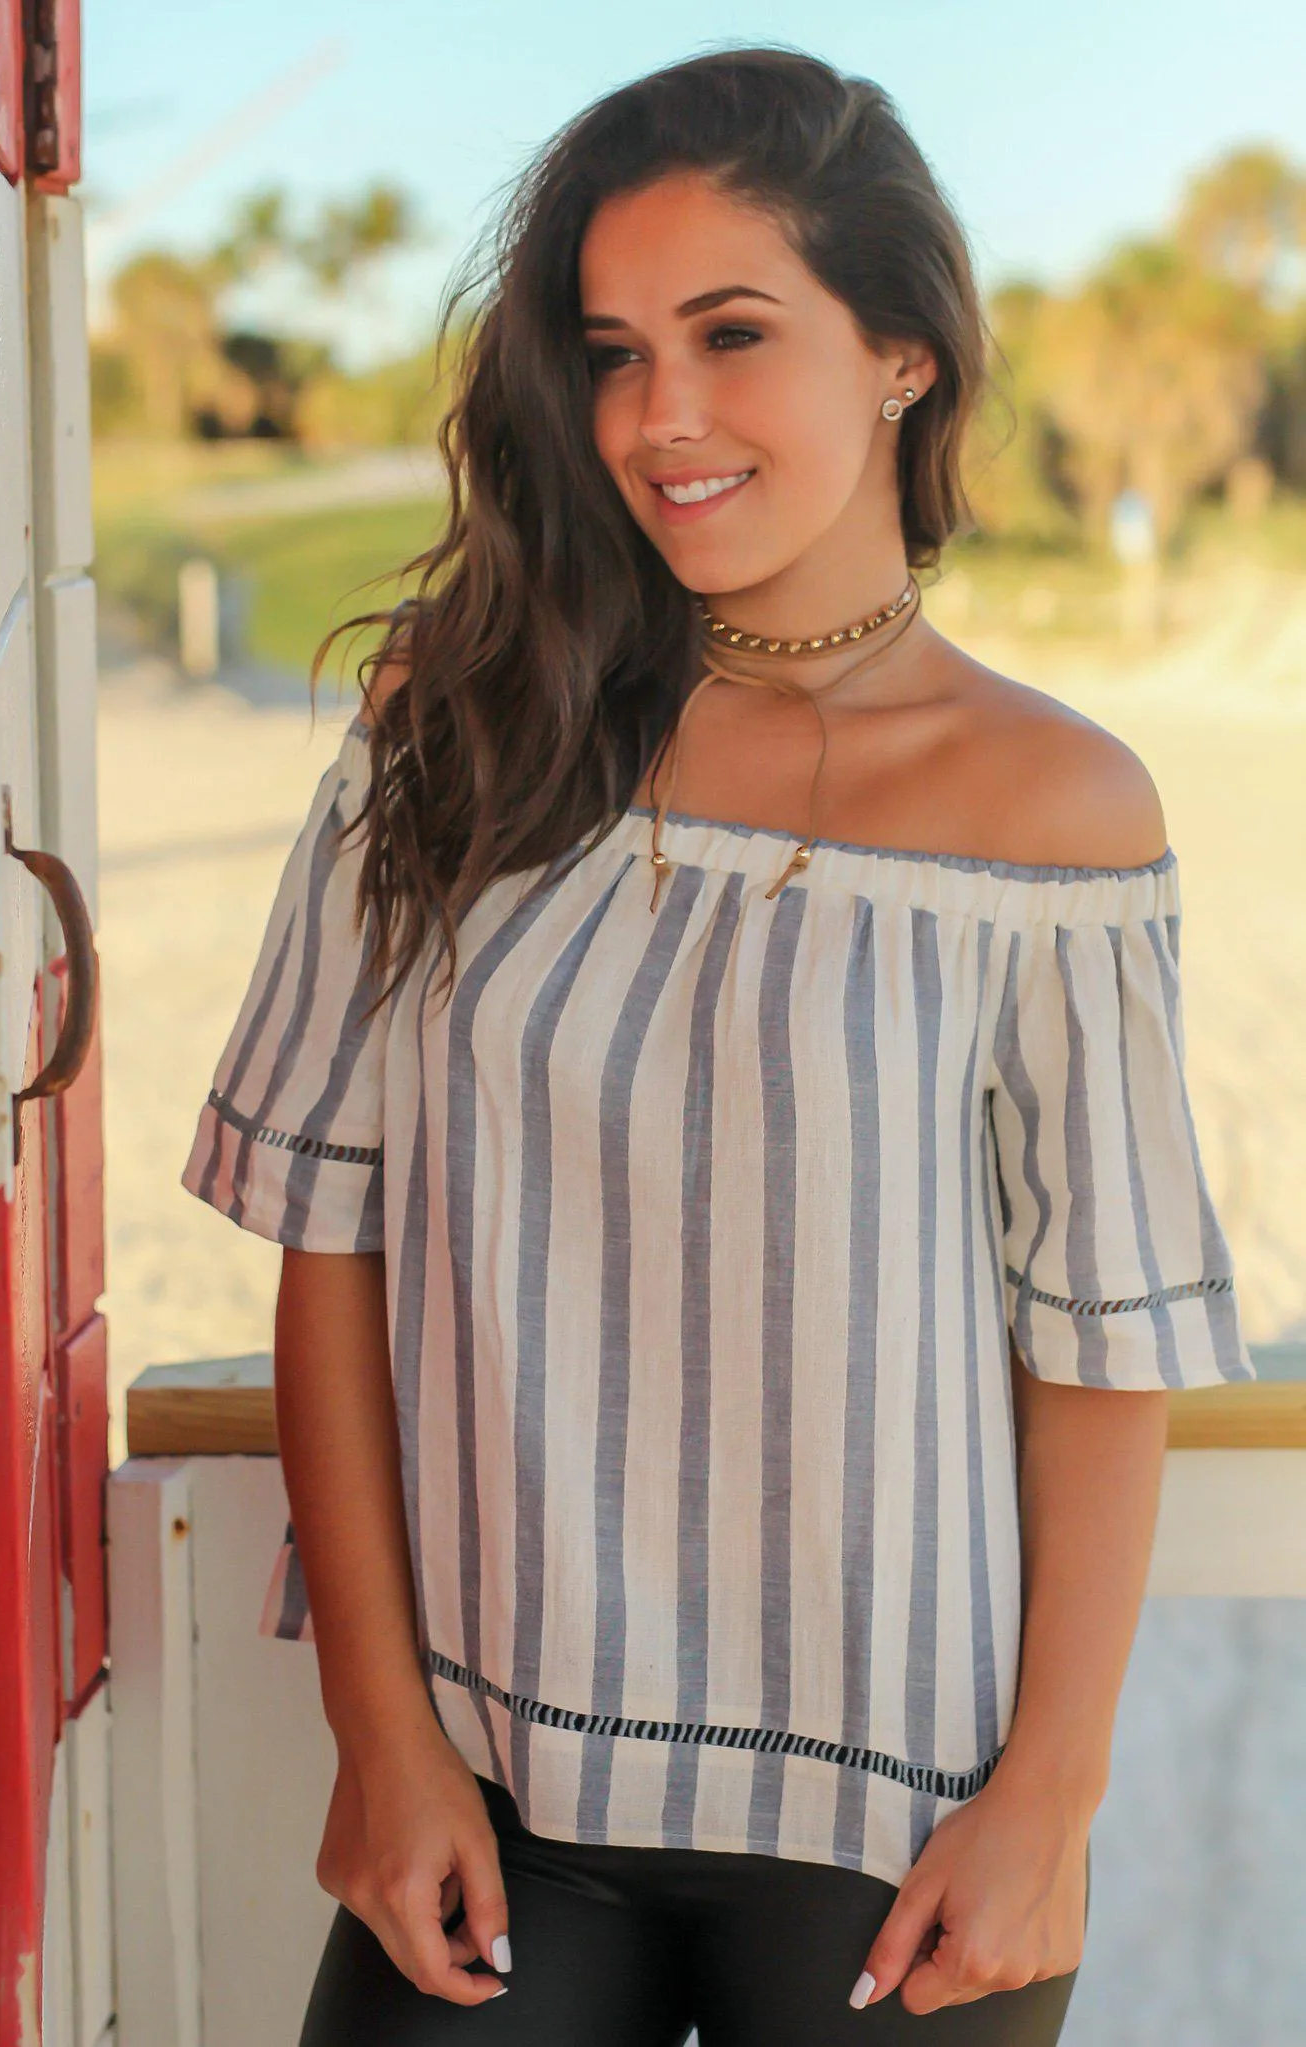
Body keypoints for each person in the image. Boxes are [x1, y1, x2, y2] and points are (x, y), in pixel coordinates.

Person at [182, 46, 1254, 2045]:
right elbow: (330, 1234)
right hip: (498, 1789)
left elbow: (1094, 1341)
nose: (657, 417)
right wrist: (384, 1737)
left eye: (730, 334)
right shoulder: (461, 728)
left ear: (903, 356)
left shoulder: (1055, 809)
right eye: (608, 351)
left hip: (903, 1818)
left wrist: (1051, 1794)